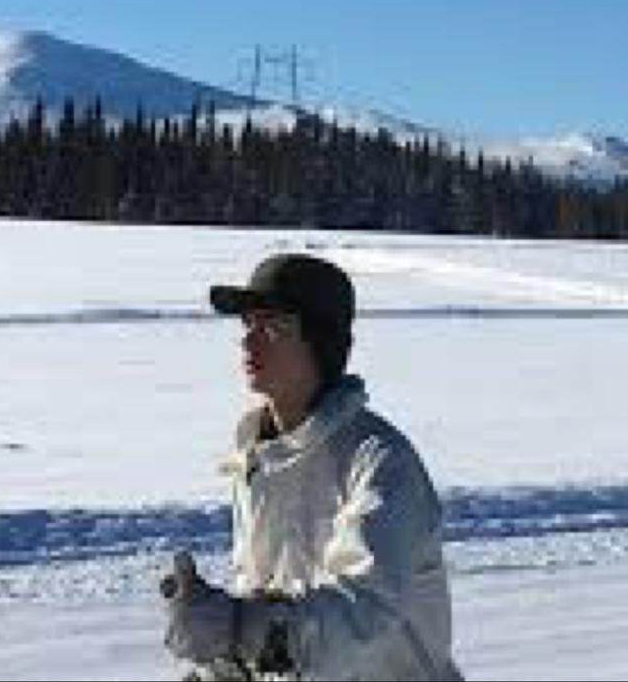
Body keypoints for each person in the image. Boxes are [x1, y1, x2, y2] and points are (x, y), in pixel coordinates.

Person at [161, 252, 463, 681]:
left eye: (272, 326)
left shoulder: (378, 461)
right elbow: (271, 612)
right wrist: (222, 666)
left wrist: (238, 629)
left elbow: (365, 614)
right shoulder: (259, 459)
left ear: (320, 342)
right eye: (247, 324)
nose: (249, 341)